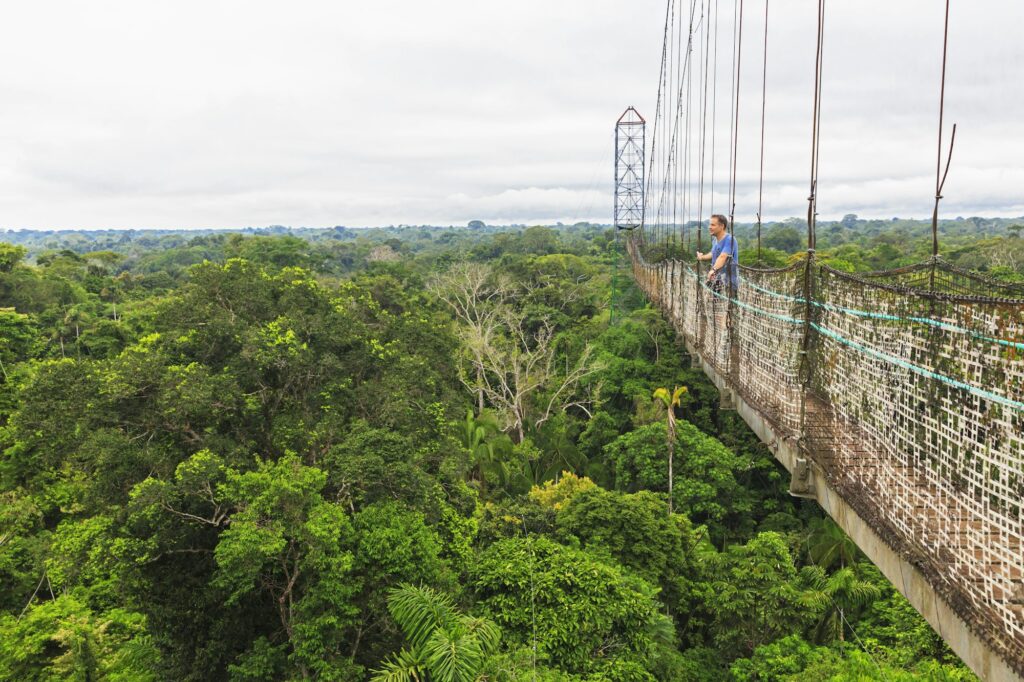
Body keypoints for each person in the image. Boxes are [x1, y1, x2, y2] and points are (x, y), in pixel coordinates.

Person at [695, 214, 738, 292]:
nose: (709, 227)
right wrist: (701, 257)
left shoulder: (730, 239)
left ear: (722, 226)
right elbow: (712, 253)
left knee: (731, 302)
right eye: (710, 224)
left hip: (729, 281)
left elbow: (723, 256)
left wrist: (713, 270)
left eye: (713, 225)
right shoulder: (715, 240)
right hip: (716, 279)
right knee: (715, 302)